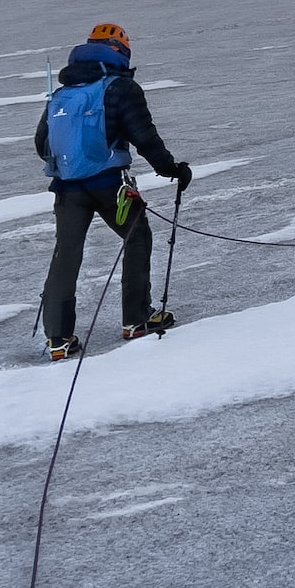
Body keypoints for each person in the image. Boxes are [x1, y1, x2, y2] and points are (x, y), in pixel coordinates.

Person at [34, 23, 192, 361]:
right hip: (110, 186)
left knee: (66, 254)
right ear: (120, 52)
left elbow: (41, 144)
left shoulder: (62, 93)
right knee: (136, 238)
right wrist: (171, 169)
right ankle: (136, 320)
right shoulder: (121, 87)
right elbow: (144, 136)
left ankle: (58, 339)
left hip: (66, 189)